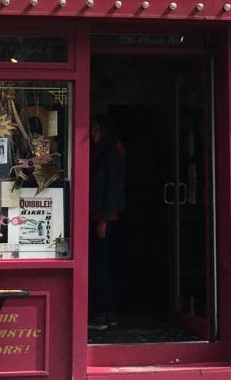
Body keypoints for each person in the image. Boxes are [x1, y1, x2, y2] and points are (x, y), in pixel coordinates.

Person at [88, 116, 125, 331]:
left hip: (105, 219)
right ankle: (106, 312)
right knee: (101, 265)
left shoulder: (110, 154)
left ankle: (103, 314)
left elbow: (113, 188)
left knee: (101, 266)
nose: (91, 134)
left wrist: (104, 219)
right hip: (100, 217)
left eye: (95, 129)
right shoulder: (103, 153)